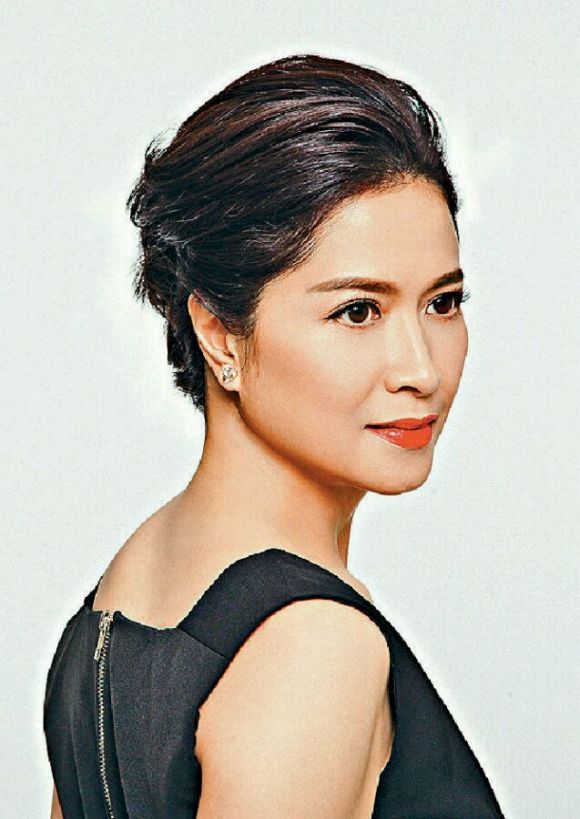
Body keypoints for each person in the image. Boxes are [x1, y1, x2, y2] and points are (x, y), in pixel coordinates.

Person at [43, 53, 505, 818]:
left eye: (443, 302)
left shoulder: (126, 587)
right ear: (219, 332)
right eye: (357, 311)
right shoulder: (314, 645)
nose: (420, 368)